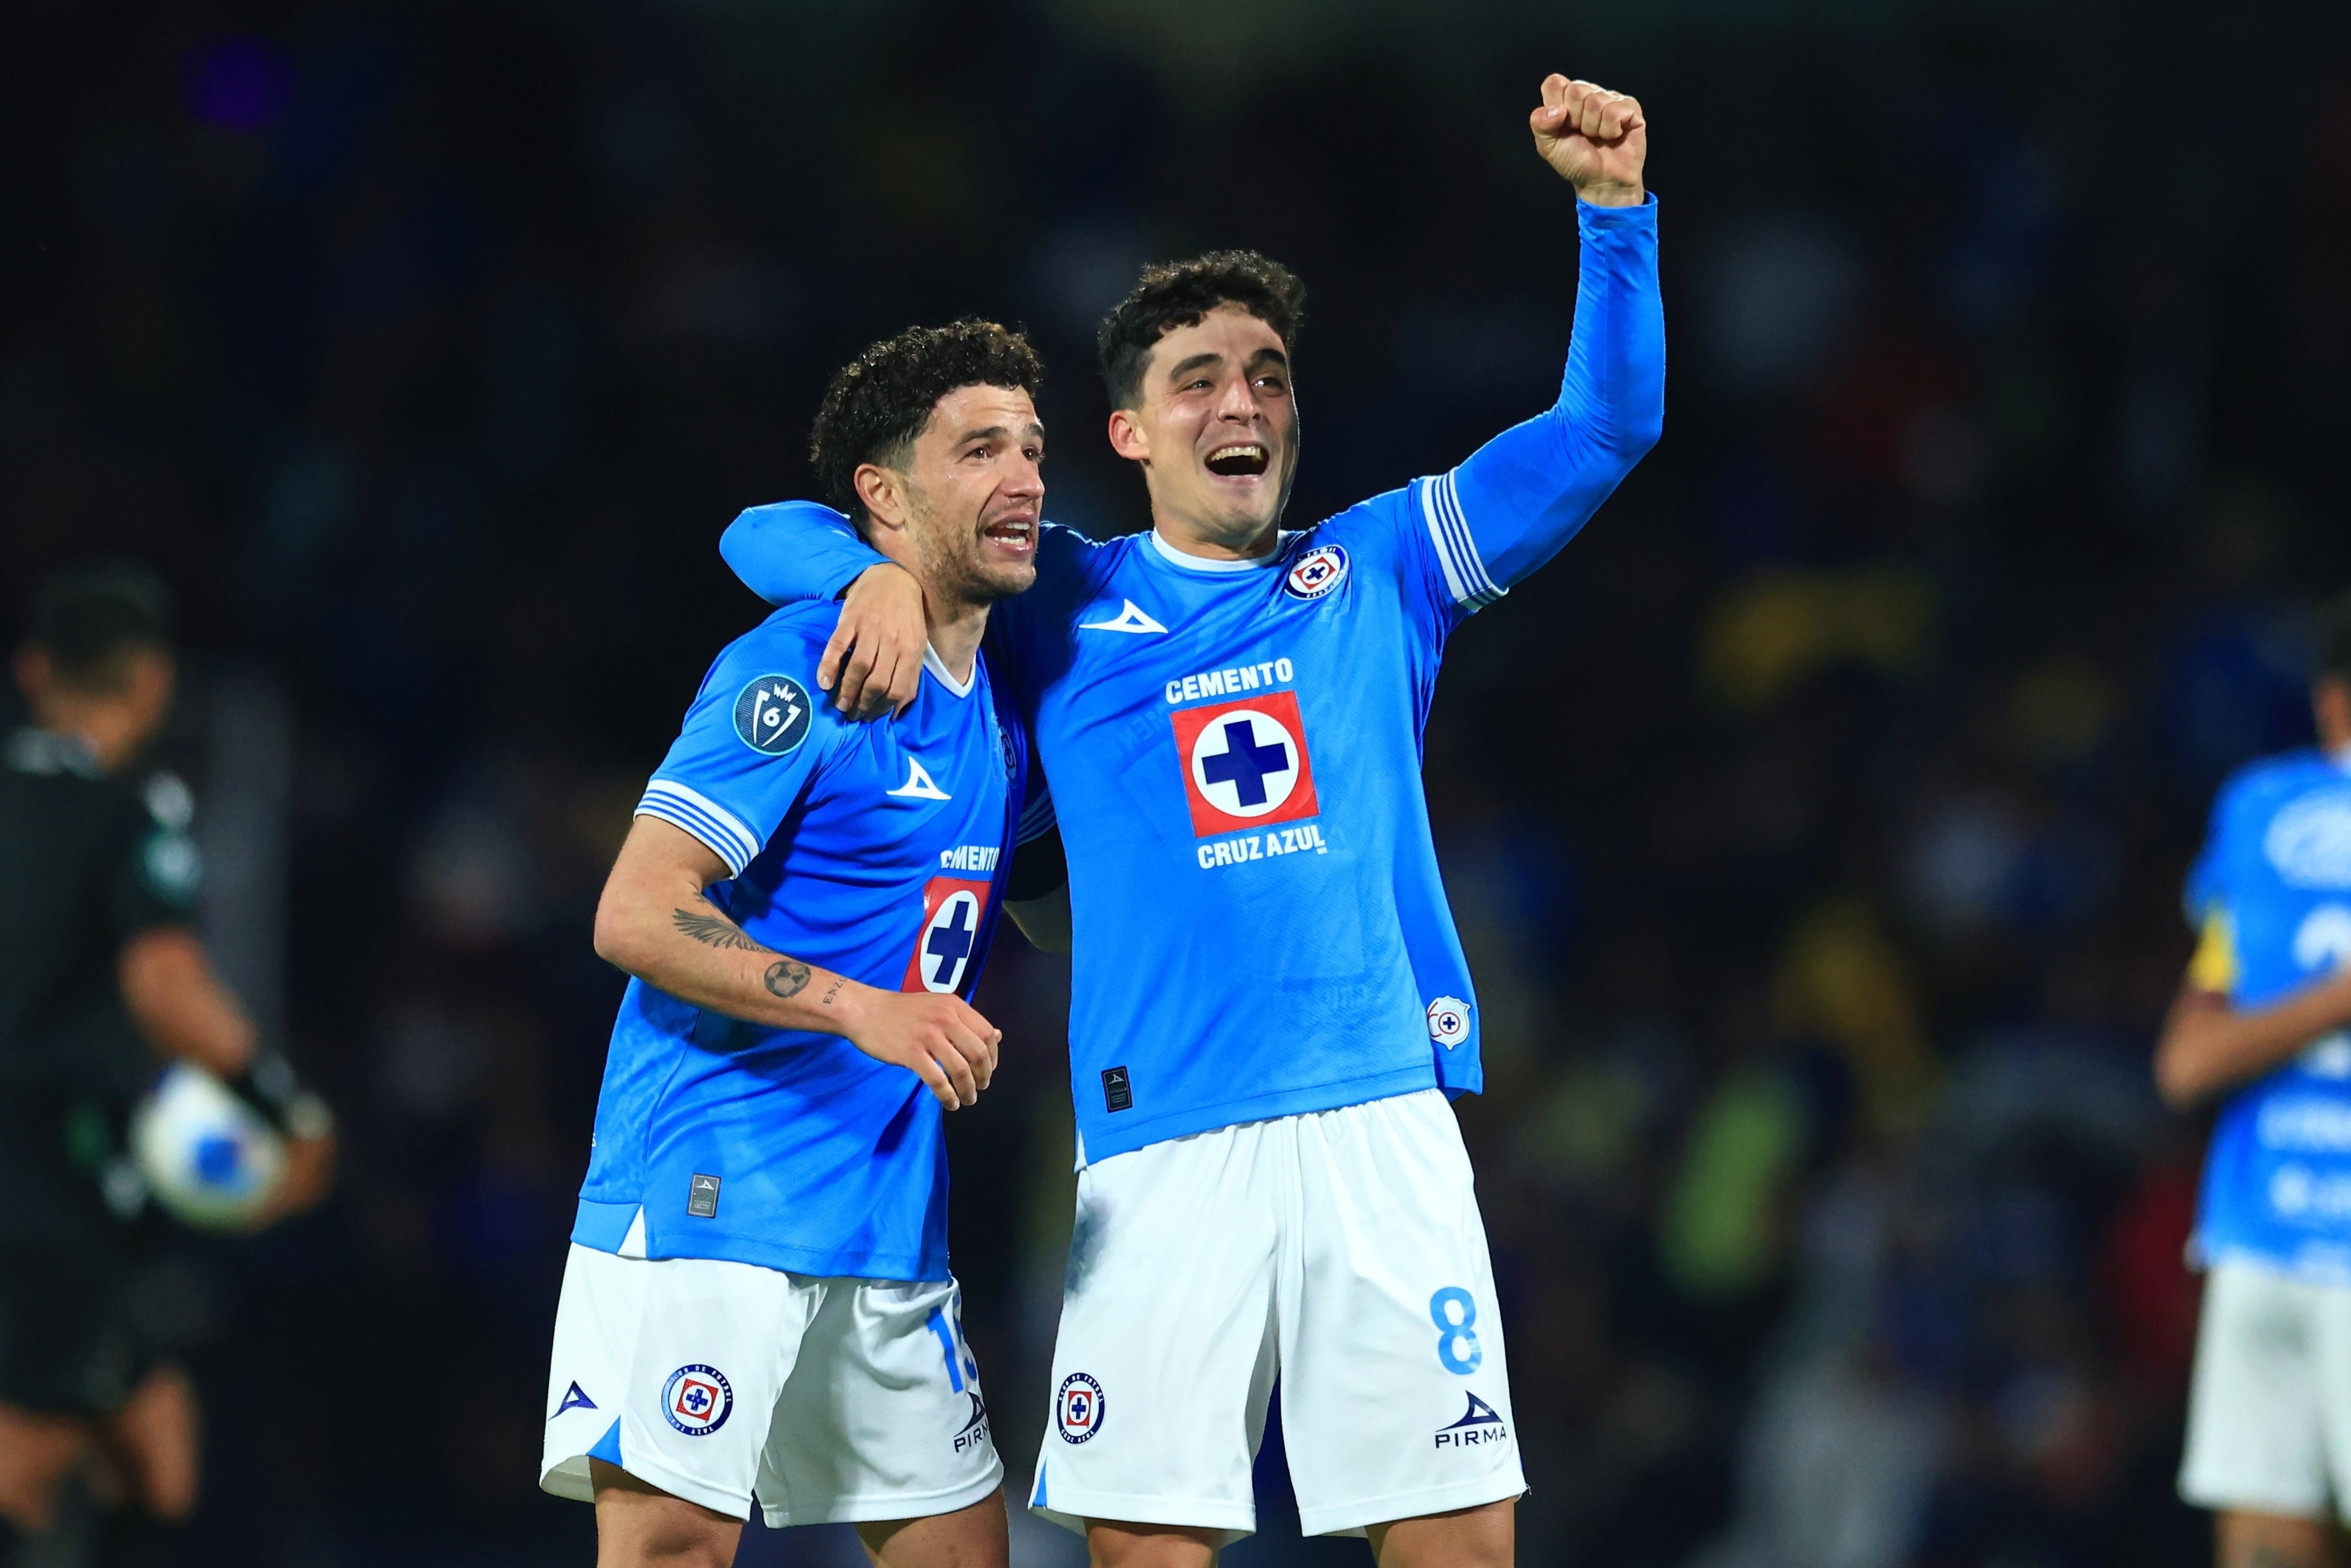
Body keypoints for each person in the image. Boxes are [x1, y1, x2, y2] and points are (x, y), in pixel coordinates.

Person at [715, 75, 1663, 1567]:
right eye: (1201, 378)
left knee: (1462, 1545)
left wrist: (1611, 217)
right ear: (1130, 431)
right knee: (1147, 1549)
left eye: (1270, 373)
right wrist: (871, 575)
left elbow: (1605, 426)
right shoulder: (1067, 603)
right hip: (1166, 1140)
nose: (1243, 401)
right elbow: (755, 530)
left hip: (1376, 1114)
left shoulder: (1379, 570)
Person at [540, 320, 1062, 1568]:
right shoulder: (803, 665)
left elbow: (1050, 907)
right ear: (880, 495)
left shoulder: (1001, 712)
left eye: (1034, 449)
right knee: (672, 1544)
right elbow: (636, 908)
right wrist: (859, 1006)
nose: (1025, 478)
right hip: (715, 1184)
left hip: (884, 1213)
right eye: (979, 448)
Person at [0, 561, 334, 1543]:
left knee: (154, 1441)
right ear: (150, 679)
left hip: (64, 1179)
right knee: (34, 1453)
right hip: (48, 1171)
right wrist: (281, 1107)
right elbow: (164, 982)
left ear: (33, 671)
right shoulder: (126, 812)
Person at [2158, 591, 2351, 1568]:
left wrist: (2315, 1002)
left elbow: (2187, 1060)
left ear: (2330, 705)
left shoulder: (2263, 812)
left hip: (2260, 1237)